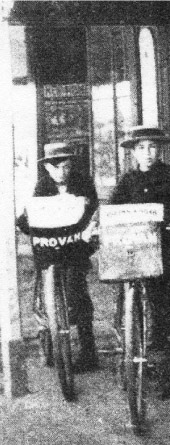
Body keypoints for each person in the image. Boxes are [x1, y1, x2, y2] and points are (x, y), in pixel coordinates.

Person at [110, 126, 170, 399]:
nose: (148, 153)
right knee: (124, 296)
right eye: (141, 148)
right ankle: (126, 354)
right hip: (136, 245)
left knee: (160, 302)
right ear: (134, 152)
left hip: (167, 246)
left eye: (152, 148)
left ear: (159, 151)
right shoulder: (128, 181)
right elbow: (113, 208)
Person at [16, 142, 100, 373]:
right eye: (56, 167)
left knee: (78, 292)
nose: (61, 172)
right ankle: (50, 337)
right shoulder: (42, 186)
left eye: (65, 166)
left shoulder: (83, 182)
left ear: (71, 165)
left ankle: (88, 351)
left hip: (75, 246)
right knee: (45, 293)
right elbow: (30, 218)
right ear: (47, 169)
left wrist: (87, 228)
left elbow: (93, 211)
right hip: (52, 248)